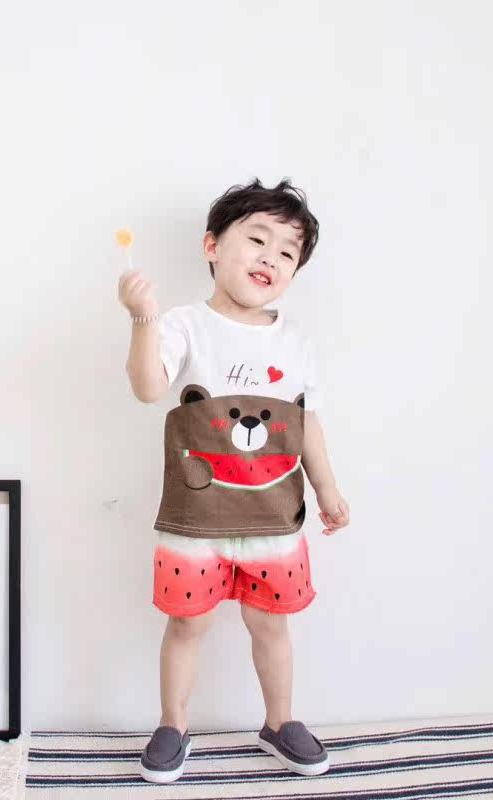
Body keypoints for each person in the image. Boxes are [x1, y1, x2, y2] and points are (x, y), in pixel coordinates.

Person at [118, 178, 350, 784]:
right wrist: (143, 320)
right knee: (187, 623)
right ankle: (173, 725)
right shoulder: (184, 325)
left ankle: (279, 722)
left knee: (272, 624)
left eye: (287, 252)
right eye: (257, 239)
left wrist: (327, 489)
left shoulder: (295, 342)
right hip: (196, 519)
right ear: (212, 246)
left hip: (275, 519)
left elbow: (307, 422)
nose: (271, 257)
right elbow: (147, 387)